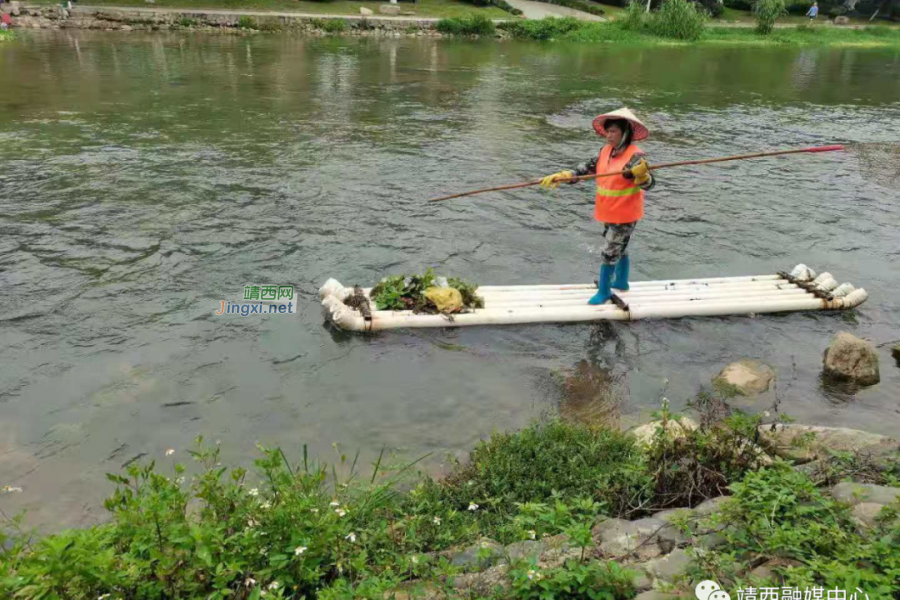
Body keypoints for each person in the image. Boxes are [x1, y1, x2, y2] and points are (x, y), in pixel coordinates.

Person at [539, 108, 655, 306]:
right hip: (608, 210)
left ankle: (603, 291)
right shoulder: (605, 151)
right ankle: (621, 281)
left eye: (614, 132)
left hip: (625, 213)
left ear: (625, 133)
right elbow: (585, 169)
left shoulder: (636, 157)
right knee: (620, 246)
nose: (608, 135)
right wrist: (565, 176)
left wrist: (642, 176)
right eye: (607, 131)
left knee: (610, 251)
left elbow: (650, 184)